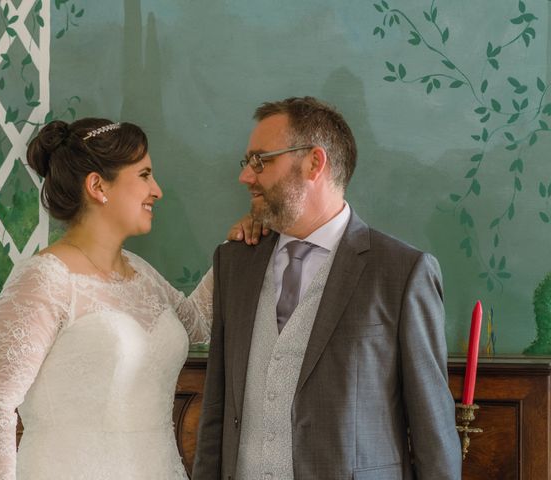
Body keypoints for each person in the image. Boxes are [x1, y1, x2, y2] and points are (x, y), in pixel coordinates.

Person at [0, 118, 260, 480]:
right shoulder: (43, 279)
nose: (157, 190)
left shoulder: (142, 273)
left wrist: (234, 250)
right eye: (144, 175)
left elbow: (199, 325)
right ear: (98, 186)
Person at [193, 97, 462, 479]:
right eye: (247, 163)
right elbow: (216, 415)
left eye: (261, 160)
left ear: (314, 163)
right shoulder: (235, 263)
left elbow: (434, 437)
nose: (246, 176)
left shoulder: (401, 272)